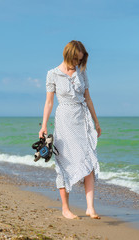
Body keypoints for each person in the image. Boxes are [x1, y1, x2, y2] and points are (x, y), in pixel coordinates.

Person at [39, 40, 102, 220]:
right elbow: (49, 102)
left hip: (83, 121)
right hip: (65, 121)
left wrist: (96, 122)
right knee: (64, 162)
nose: (77, 63)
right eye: (75, 59)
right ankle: (65, 209)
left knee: (89, 160)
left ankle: (90, 207)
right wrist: (43, 126)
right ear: (68, 55)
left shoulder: (82, 72)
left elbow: (88, 99)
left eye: (80, 60)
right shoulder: (52, 74)